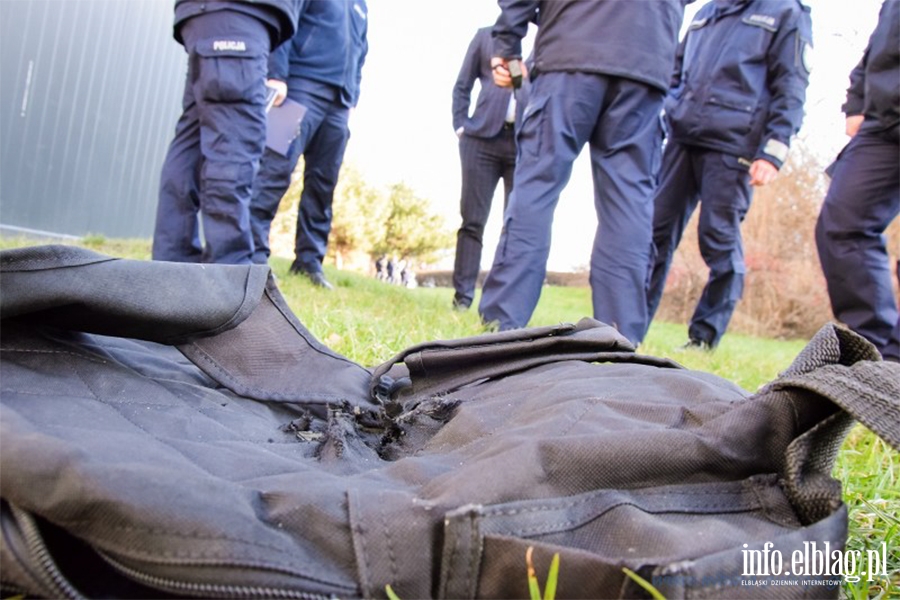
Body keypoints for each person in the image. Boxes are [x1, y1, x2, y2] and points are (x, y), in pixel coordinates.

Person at [477, 0, 691, 345]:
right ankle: (619, 337)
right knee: (629, 202)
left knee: (537, 186)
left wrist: (506, 44)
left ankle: (502, 320)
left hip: (570, 47)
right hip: (646, 58)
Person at [645, 0, 813, 349]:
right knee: (653, 233)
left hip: (734, 143)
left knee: (718, 238)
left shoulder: (784, 12)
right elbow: (675, 71)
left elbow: (791, 86)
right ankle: (629, 327)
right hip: (682, 138)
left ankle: (704, 337)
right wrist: (670, 110)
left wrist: (772, 152)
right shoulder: (706, 12)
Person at [152, 0, 303, 265]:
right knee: (235, 144)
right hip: (240, 13)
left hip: (219, 15)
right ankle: (229, 272)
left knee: (193, 140)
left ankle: (173, 267)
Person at [248, 0, 368, 290]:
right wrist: (277, 74)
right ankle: (252, 254)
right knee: (273, 170)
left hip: (339, 103)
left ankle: (309, 261)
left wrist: (352, 96)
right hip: (300, 87)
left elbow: (361, 51)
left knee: (323, 184)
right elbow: (285, 22)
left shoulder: (361, 6)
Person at [815, 0, 899, 363]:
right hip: (882, 120)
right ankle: (879, 357)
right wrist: (856, 101)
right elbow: (878, 46)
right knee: (842, 224)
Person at [450, 26, 521, 311]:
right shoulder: (487, 36)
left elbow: (535, 86)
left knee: (515, 227)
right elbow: (462, 84)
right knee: (472, 222)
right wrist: (460, 125)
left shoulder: (549, 37)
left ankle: (500, 304)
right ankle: (462, 298)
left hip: (525, 144)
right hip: (480, 140)